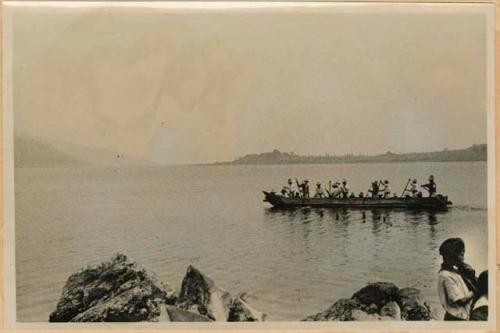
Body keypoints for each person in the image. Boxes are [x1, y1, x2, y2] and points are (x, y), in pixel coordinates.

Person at [437, 238, 476, 320]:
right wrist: (475, 290)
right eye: (461, 255)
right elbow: (460, 300)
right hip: (455, 318)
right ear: (452, 256)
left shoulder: (457, 272)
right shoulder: (445, 275)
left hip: (463, 315)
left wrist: (471, 275)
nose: (463, 259)